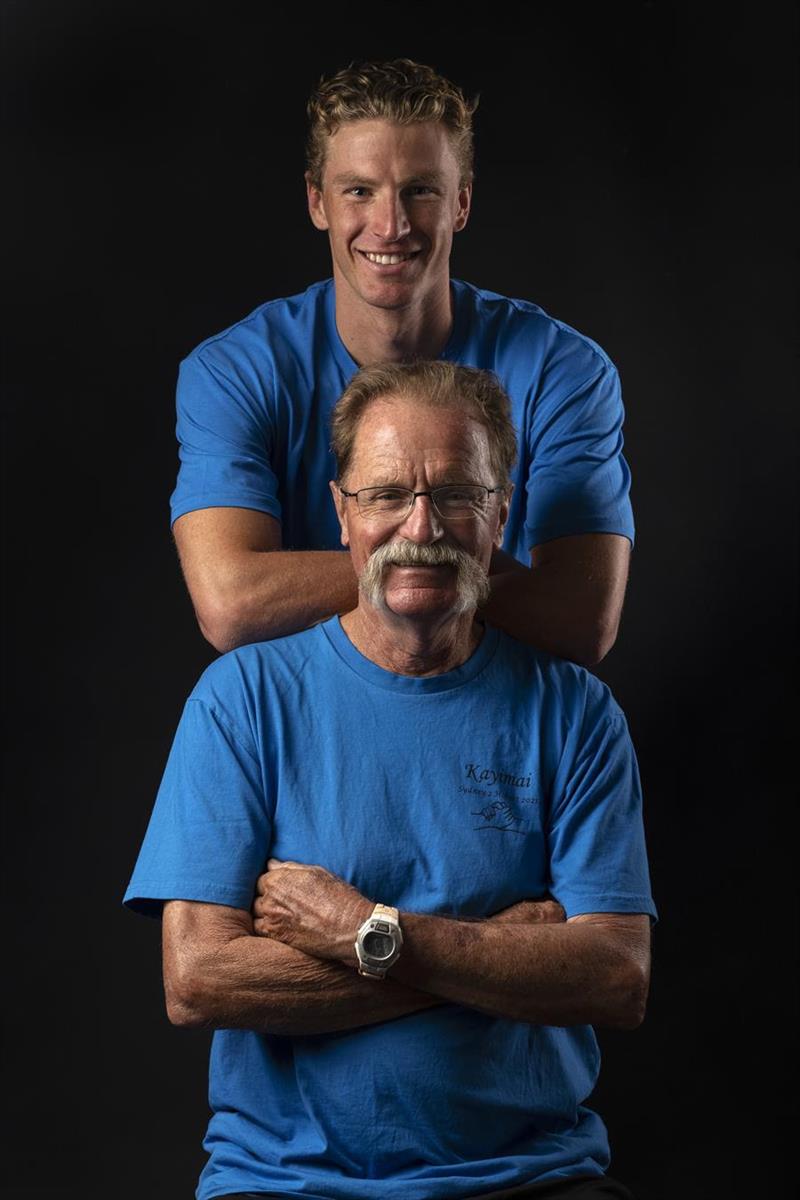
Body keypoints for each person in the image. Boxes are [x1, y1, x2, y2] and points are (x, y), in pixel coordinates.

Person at [126, 362, 655, 1200]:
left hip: (531, 1177)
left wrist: (364, 931)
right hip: (286, 1182)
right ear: (342, 512)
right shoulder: (244, 701)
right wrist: (495, 952)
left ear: (501, 513)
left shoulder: (577, 714)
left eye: (456, 494)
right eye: (385, 496)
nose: (421, 526)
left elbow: (615, 979)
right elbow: (199, 981)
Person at [171, 59, 633, 666]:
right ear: (317, 202)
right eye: (359, 190)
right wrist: (447, 569)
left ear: (460, 204)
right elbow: (231, 603)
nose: (390, 226)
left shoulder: (563, 371)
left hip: (502, 708)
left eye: (420, 189)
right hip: (308, 714)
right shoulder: (235, 373)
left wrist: (393, 572)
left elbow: (582, 618)